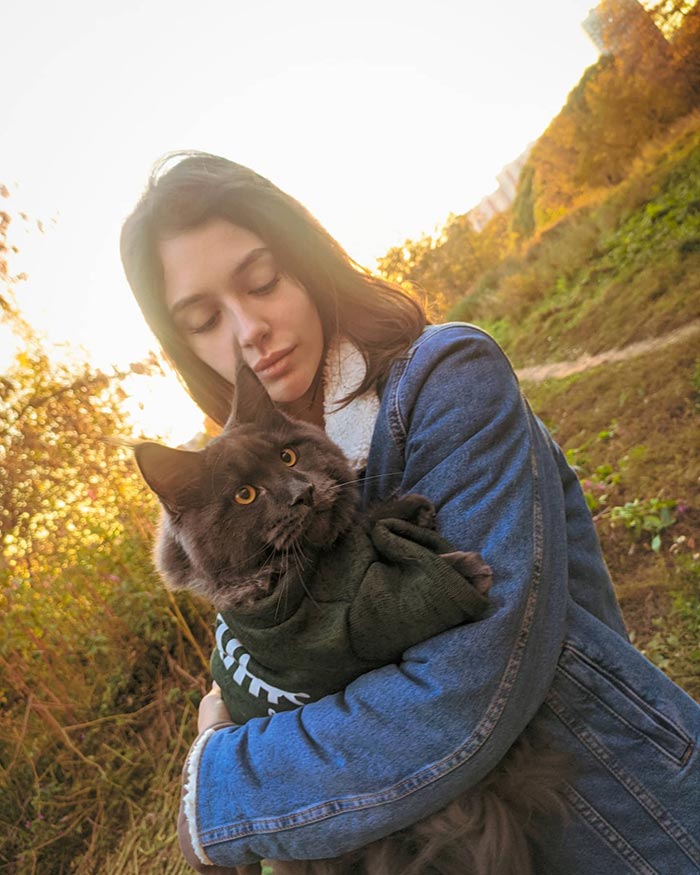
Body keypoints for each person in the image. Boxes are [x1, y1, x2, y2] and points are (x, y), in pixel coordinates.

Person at [120, 151, 700, 875]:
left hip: (615, 830)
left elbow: (460, 699)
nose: (246, 330)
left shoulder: (447, 379)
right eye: (204, 318)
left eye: (262, 280)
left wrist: (218, 785)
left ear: (303, 259)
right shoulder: (227, 508)